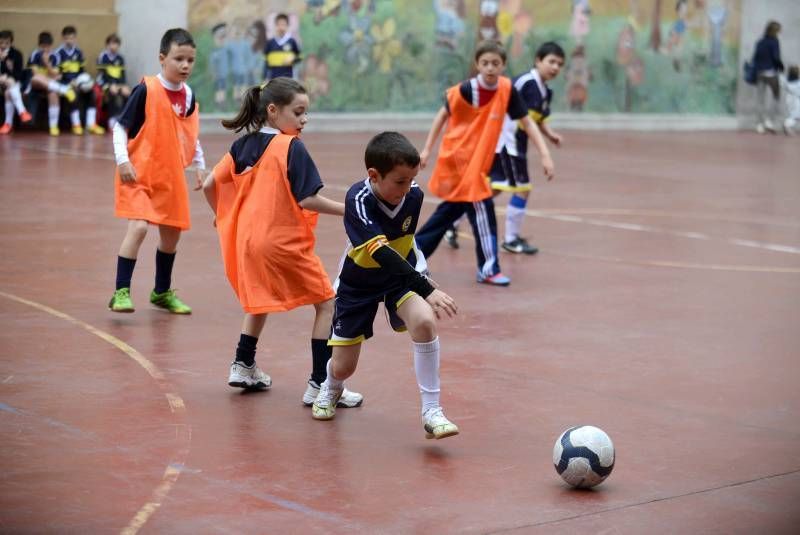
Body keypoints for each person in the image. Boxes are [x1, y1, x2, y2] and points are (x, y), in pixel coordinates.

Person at [202, 77, 364, 406]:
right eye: (299, 112)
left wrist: (222, 216)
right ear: (274, 111)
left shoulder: (241, 145)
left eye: (306, 114)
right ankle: (320, 382)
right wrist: (350, 211)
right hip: (281, 242)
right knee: (326, 303)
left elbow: (208, 185)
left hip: (247, 241)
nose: (304, 120)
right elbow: (309, 200)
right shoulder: (291, 147)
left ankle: (243, 364)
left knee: (258, 299)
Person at [311, 131, 460, 440]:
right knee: (343, 367)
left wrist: (422, 279)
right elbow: (380, 251)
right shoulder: (357, 200)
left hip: (398, 278)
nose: (406, 189)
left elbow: (406, 244)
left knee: (424, 322)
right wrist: (426, 286)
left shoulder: (414, 195)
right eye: (399, 181)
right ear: (374, 175)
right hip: (359, 284)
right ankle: (331, 386)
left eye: (411, 180)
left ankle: (432, 412)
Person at [415, 40, 554, 286]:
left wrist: (544, 153)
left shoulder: (506, 90)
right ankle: (489, 269)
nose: (490, 68)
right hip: (460, 160)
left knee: (447, 214)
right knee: (483, 210)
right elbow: (442, 114)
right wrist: (427, 149)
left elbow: (528, 122)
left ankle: (410, 260)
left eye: (495, 63)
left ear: (504, 66)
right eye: (485, 63)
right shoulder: (467, 89)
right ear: (477, 64)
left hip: (478, 164)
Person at [108, 28, 206, 315]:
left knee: (171, 236)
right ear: (162, 58)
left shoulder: (188, 95)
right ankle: (121, 291)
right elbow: (120, 126)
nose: (185, 65)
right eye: (179, 59)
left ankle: (161, 292)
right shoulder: (146, 89)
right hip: (137, 174)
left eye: (190, 60)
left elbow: (189, 133)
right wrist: (122, 160)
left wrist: (199, 164)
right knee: (138, 228)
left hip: (170, 178)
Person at [492, 41, 565, 255]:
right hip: (508, 143)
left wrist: (550, 135)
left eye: (560, 64)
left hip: (518, 145)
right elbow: (502, 102)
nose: (555, 67)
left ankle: (454, 220)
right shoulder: (524, 82)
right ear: (538, 60)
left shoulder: (546, 92)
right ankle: (511, 239)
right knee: (522, 189)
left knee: (495, 188)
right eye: (551, 61)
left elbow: (536, 119)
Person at [55, 25, 104, 135]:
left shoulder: (78, 52)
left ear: (75, 38)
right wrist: (69, 81)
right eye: (67, 38)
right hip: (63, 84)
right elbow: (56, 74)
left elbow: (82, 71)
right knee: (74, 94)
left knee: (92, 92)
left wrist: (84, 81)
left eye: (72, 38)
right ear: (63, 38)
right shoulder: (58, 53)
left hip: (77, 82)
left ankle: (91, 124)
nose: (69, 41)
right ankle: (76, 124)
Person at [27, 31, 76, 136]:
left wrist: (47, 64)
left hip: (51, 85)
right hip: (36, 85)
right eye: (43, 47)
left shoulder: (56, 56)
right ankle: (63, 90)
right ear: (39, 45)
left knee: (53, 94)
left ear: (51, 46)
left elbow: (56, 75)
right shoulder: (34, 55)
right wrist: (50, 75)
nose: (45, 49)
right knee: (36, 78)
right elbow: (35, 74)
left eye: (47, 47)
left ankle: (53, 126)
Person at [752, 20, 784, 134]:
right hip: (771, 72)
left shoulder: (760, 42)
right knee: (776, 96)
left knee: (760, 99)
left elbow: (755, 58)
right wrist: (781, 67)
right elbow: (776, 57)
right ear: (775, 31)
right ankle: (769, 121)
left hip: (759, 73)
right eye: (779, 30)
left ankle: (759, 124)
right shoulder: (774, 42)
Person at [0, 30, 33, 134]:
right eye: (1, 43)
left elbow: (17, 74)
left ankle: (8, 124)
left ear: (11, 42)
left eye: (6, 43)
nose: (3, 45)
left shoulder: (16, 54)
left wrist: (5, 63)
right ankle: (22, 111)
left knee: (8, 92)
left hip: (11, 82)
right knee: (9, 85)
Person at [96, 33, 130, 130]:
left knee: (127, 92)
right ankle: (111, 120)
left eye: (116, 44)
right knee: (112, 91)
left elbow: (122, 75)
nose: (113, 46)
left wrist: (123, 85)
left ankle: (124, 119)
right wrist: (111, 85)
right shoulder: (103, 57)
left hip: (117, 84)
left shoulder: (120, 58)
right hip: (104, 83)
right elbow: (103, 74)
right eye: (111, 43)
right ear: (107, 45)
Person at [263, 13, 301, 80]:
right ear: (275, 26)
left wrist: (293, 59)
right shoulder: (270, 43)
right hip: (273, 79)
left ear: (287, 26)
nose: (281, 27)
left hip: (288, 79)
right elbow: (265, 61)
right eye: (278, 25)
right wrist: (264, 78)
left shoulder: (291, 41)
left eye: (283, 25)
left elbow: (299, 57)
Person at [783, 65, 800, 135]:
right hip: (796, 100)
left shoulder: (787, 81)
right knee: (795, 115)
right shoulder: (798, 83)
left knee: (795, 115)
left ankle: (788, 126)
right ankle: (787, 124)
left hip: (789, 99)